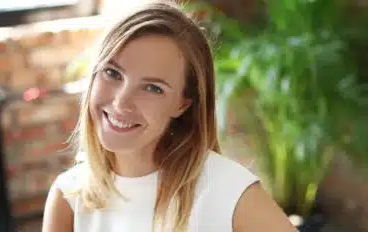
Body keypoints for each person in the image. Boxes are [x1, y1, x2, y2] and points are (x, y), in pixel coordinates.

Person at [42, 1, 298, 231]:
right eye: (112, 73)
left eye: (153, 88)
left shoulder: (228, 191)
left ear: (183, 104)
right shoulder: (68, 198)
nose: (121, 102)